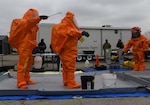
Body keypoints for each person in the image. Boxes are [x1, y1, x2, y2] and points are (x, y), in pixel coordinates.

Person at [10, 8, 48, 89]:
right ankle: (21, 82)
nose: (35, 17)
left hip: (28, 48)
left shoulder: (32, 27)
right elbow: (28, 23)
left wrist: (35, 44)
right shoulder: (23, 23)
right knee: (22, 65)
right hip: (24, 47)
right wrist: (39, 18)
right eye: (34, 16)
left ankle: (26, 79)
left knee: (28, 64)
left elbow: (31, 36)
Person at [51, 11, 89, 89]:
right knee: (70, 68)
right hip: (69, 51)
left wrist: (79, 35)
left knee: (65, 68)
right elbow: (71, 32)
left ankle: (66, 81)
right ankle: (71, 83)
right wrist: (81, 33)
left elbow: (71, 34)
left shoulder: (64, 26)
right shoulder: (67, 27)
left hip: (65, 51)